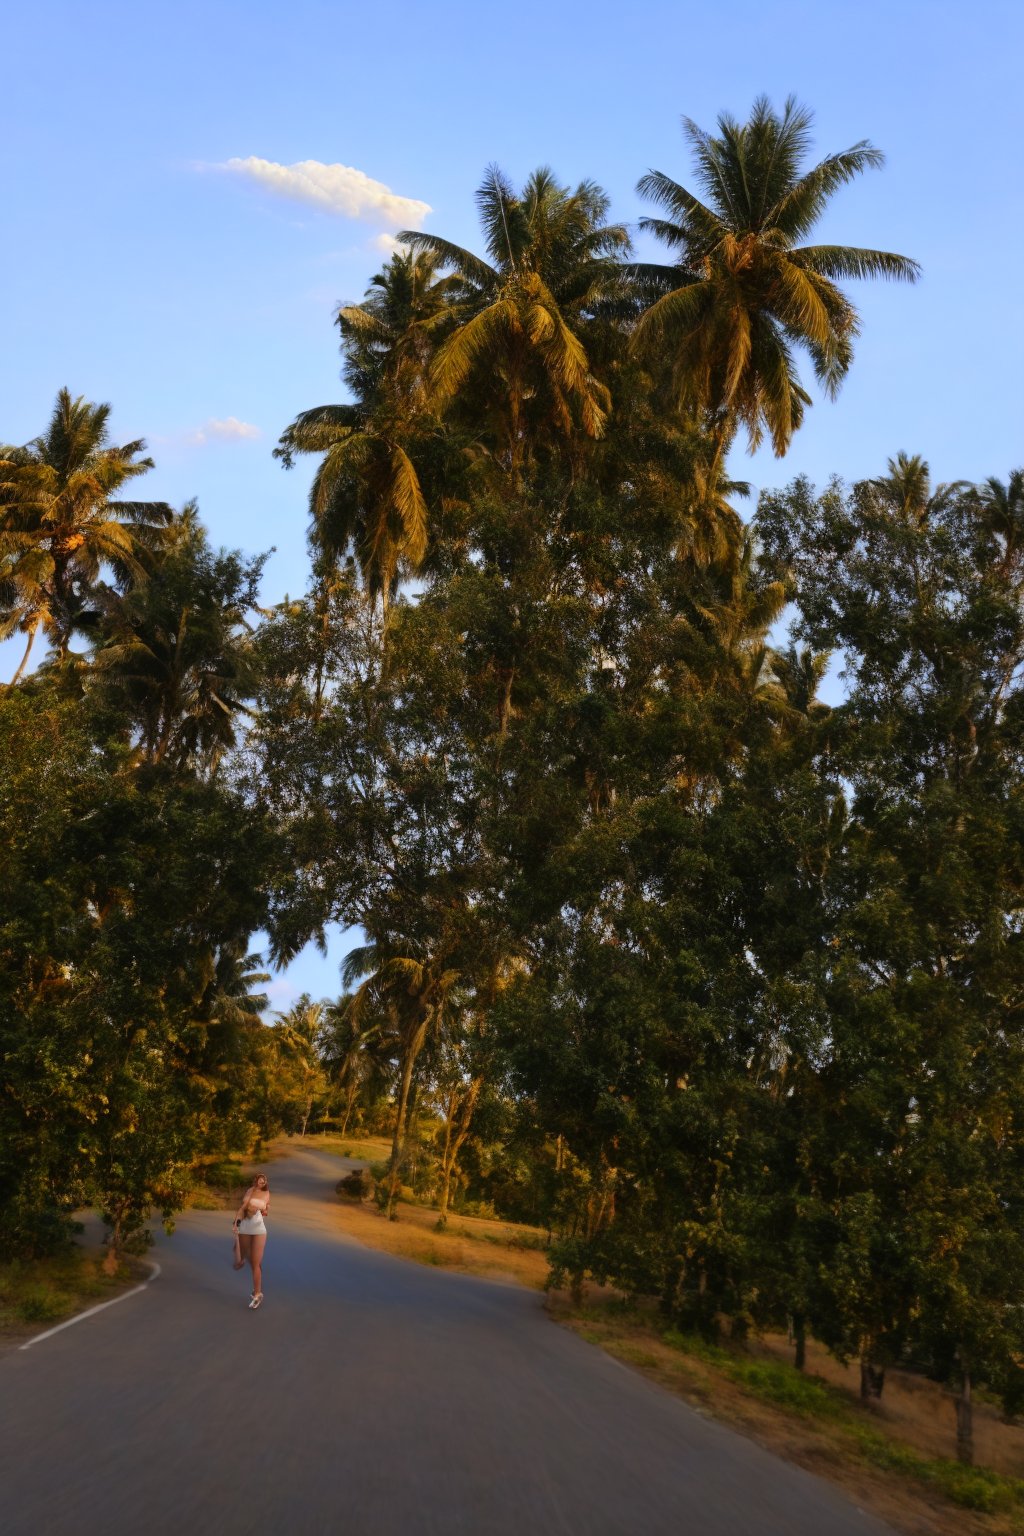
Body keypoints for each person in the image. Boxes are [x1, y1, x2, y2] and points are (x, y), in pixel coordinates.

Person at [233, 1173, 270, 1309]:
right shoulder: (249, 1191)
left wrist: (265, 1210)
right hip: (245, 1227)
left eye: (264, 1182)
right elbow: (242, 1209)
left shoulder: (266, 1193)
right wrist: (236, 1224)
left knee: (256, 1263)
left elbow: (265, 1209)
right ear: (255, 1181)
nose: (262, 1183)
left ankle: (257, 1294)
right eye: (260, 1181)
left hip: (259, 1229)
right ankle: (240, 1256)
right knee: (245, 1258)